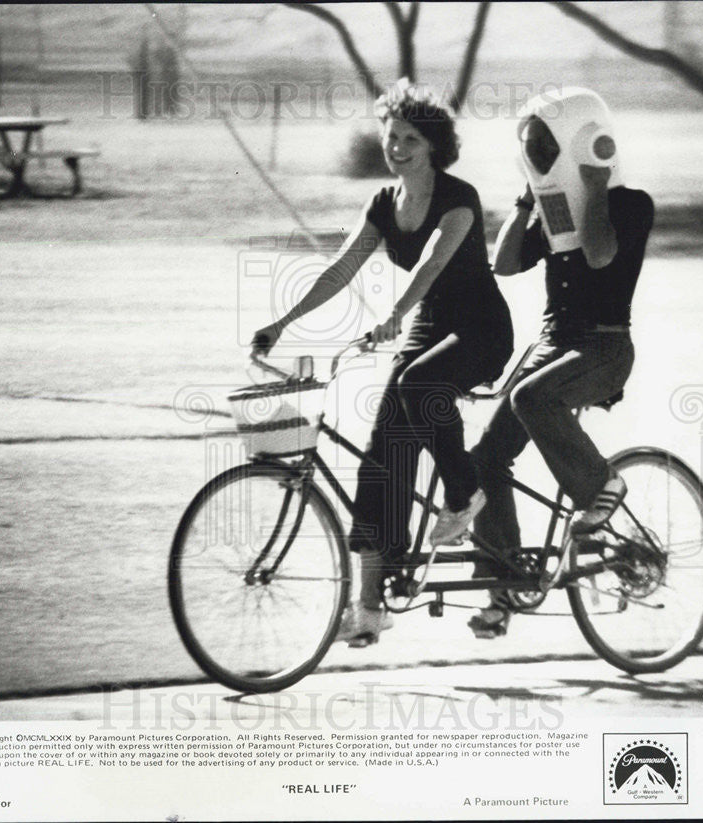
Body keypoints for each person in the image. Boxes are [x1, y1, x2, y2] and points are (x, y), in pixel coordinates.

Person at [252, 81, 513, 646]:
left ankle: (464, 493)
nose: (396, 147)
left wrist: (395, 312)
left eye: (410, 138)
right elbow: (341, 270)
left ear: (434, 145)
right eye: (391, 136)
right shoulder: (383, 204)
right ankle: (370, 605)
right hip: (426, 328)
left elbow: (433, 263)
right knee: (381, 454)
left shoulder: (458, 198)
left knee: (419, 383)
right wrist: (282, 323)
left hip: (480, 330)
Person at [467, 87, 655, 639]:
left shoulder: (630, 204)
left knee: (531, 398)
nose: (540, 154)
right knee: (485, 460)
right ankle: (503, 591)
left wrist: (593, 184)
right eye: (533, 147)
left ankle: (601, 488)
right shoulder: (553, 212)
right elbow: (502, 262)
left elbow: (600, 253)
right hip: (552, 346)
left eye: (548, 146)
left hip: (603, 347)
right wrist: (529, 198)